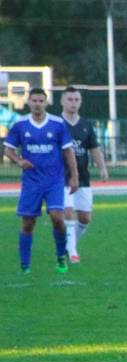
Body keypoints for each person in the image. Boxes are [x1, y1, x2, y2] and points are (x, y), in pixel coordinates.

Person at [3, 88, 78, 274]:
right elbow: (8, 149)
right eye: (34, 100)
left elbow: (68, 151)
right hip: (31, 182)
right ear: (29, 102)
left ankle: (61, 256)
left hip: (54, 181)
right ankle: (25, 265)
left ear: (46, 103)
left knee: (57, 217)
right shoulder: (20, 125)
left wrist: (74, 176)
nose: (37, 103)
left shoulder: (57, 124)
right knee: (28, 222)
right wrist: (19, 161)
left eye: (40, 100)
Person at [60, 86, 108, 263]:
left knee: (85, 218)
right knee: (67, 212)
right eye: (70, 99)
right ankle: (72, 251)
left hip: (83, 177)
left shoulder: (86, 126)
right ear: (62, 101)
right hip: (62, 177)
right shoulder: (57, 124)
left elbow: (94, 149)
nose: (73, 103)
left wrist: (102, 168)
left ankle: (70, 245)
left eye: (76, 100)